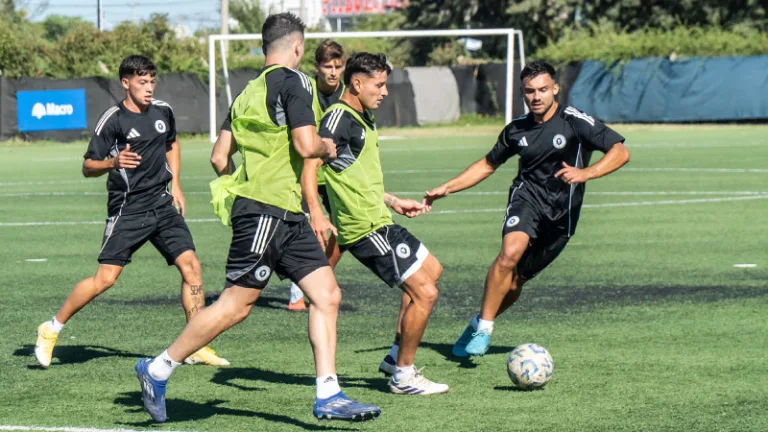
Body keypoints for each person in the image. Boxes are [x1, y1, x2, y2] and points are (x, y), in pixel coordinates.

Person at [134, 13, 380, 422]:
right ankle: (158, 368)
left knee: (327, 295)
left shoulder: (247, 92)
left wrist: (246, 189)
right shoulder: (297, 81)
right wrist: (327, 147)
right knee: (236, 305)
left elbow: (219, 157)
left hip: (286, 213)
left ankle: (328, 394)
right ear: (298, 47)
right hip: (270, 211)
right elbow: (306, 145)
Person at [423, 60, 631, 357]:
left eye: (542, 90)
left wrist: (586, 173)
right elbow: (487, 164)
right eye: (530, 91)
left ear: (555, 89)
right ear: (523, 92)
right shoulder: (516, 129)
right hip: (527, 199)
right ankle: (485, 329)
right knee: (509, 254)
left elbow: (620, 151)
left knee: (515, 282)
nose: (536, 96)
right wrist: (447, 187)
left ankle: (478, 322)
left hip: (562, 216)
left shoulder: (574, 120)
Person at [34, 55, 228, 369]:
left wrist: (176, 185)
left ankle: (196, 345)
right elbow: (87, 166)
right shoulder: (112, 119)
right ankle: (51, 328)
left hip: (162, 204)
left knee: (191, 266)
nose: (149, 88)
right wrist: (112, 162)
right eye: (142, 82)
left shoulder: (163, 111)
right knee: (105, 279)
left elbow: (172, 144)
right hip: (129, 209)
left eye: (152, 81)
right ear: (126, 83)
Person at [304, 52, 449, 395]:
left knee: (432, 271)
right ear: (357, 83)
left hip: (380, 218)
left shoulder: (361, 117)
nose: (384, 92)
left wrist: (393, 201)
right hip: (365, 228)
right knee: (425, 293)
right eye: (379, 85)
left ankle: (395, 357)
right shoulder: (338, 118)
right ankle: (404, 376)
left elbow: (353, 174)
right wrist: (317, 213)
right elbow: (310, 165)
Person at [288, 38, 347, 312]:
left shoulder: (348, 94)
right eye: (327, 66)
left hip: (336, 174)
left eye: (338, 66)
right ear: (317, 67)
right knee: (306, 234)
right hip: (305, 172)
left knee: (342, 232)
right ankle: (298, 292)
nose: (333, 72)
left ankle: (318, 281)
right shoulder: (305, 91)